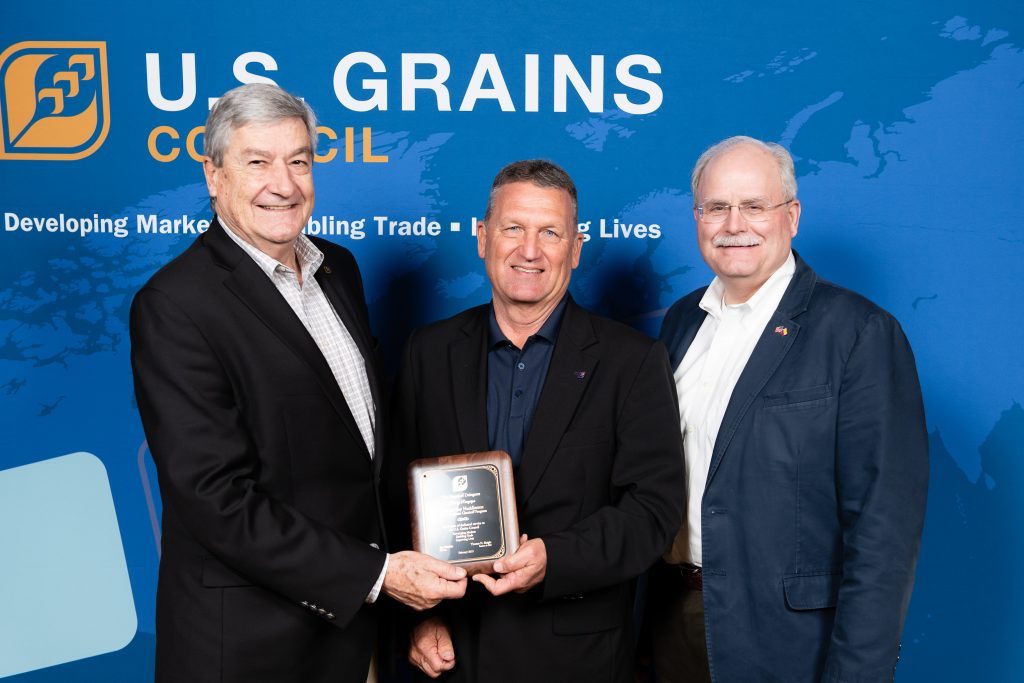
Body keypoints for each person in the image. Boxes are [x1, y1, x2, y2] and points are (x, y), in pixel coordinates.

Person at [130, 83, 466, 683]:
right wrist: (380, 576)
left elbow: (362, 458)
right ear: (214, 176)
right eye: (257, 162)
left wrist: (402, 595)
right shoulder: (176, 305)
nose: (283, 184)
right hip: (252, 648)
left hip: (354, 634)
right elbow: (217, 500)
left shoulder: (338, 270)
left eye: (299, 161)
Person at [392, 159, 684, 682]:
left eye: (550, 232)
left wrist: (556, 558)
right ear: (482, 238)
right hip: (452, 654)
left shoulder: (632, 361)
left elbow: (653, 512)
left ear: (574, 249)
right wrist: (419, 617)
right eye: (513, 228)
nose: (530, 250)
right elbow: (396, 499)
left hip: (575, 659)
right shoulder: (428, 352)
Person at [650, 135, 928, 682]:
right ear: (697, 217)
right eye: (717, 207)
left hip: (789, 641)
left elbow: (883, 528)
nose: (735, 224)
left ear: (792, 216)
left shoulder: (858, 333)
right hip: (672, 621)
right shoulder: (682, 322)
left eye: (754, 206)